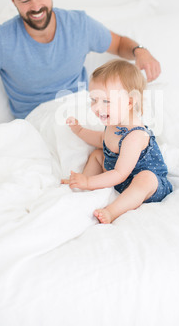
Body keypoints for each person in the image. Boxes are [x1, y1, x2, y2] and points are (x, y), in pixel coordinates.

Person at [0, 0, 161, 136]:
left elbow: (119, 44)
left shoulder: (79, 24)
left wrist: (139, 51)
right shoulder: (0, 41)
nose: (36, 7)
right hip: (39, 125)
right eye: (25, 0)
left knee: (150, 116)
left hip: (84, 111)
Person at [61, 59, 173, 224]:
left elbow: (120, 173)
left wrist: (90, 183)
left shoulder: (135, 135)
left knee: (146, 178)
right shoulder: (113, 123)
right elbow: (102, 140)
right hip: (120, 179)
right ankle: (80, 184)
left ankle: (112, 211)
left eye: (106, 101)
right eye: (94, 99)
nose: (97, 108)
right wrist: (80, 130)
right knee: (98, 154)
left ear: (129, 102)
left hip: (145, 185)